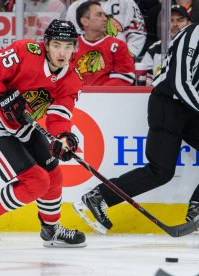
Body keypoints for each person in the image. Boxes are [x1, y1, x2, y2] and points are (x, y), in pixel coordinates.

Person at [0, 19, 86, 248]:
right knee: (36, 182)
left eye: (69, 46)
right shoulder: (23, 52)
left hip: (23, 126)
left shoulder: (73, 77)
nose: (63, 52)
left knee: (54, 175)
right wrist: (3, 94)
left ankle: (51, 229)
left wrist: (63, 138)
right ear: (46, 44)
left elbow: (58, 115)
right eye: (57, 45)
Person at [73, 22, 199, 232]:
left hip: (190, 109)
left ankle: (196, 209)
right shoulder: (193, 34)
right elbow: (180, 82)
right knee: (161, 171)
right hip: (169, 104)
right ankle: (99, 197)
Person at [73, 1, 135, 86]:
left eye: (104, 15)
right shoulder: (70, 47)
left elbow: (124, 77)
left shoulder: (118, 46)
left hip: (108, 98)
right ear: (85, 21)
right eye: (99, 15)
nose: (105, 19)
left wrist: (97, 95)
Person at [66, 0, 146, 59]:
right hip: (86, 61)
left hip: (119, 58)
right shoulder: (75, 7)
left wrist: (125, 57)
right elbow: (72, 39)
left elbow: (137, 34)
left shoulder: (126, 2)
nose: (104, 18)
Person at [141, 4, 190, 86]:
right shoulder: (155, 48)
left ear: (189, 23)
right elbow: (144, 76)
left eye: (180, 20)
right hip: (160, 96)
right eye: (171, 20)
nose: (175, 24)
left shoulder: (196, 47)